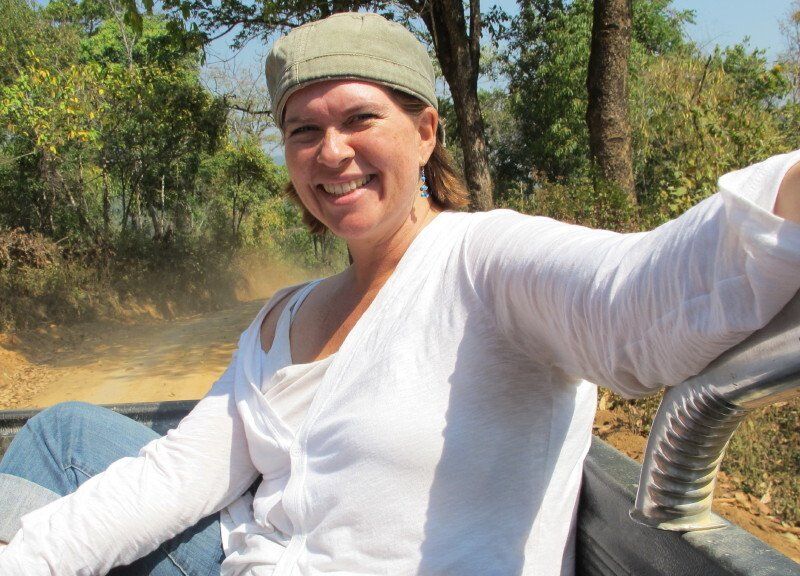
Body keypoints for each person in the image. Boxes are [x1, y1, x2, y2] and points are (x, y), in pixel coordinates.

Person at [1, 11, 800, 576]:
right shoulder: (283, 315)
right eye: (303, 131)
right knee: (66, 429)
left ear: (425, 132)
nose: (331, 151)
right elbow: (181, 474)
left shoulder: (485, 262)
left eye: (359, 117)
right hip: (250, 558)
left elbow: (642, 301)